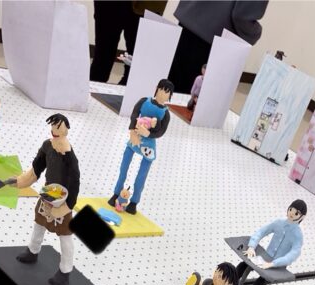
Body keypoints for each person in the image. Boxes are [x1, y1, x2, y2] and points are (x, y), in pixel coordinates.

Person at [0, 114, 80, 285]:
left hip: (63, 199)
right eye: (53, 126)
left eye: (58, 127)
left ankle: (65, 271)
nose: (54, 130)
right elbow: (35, 170)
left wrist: (65, 207)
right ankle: (33, 251)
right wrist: (19, 181)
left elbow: (75, 184)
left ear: (65, 130)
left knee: (65, 234)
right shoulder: (47, 146)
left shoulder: (70, 158)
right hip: (48, 192)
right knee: (39, 222)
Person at [169, 1, 268, 93]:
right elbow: (243, 16)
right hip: (211, 41)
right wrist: (254, 33)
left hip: (189, 18)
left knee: (170, 90)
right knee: (188, 98)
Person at [234, 199, 306, 285]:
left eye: (296, 213)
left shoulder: (298, 235)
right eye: (290, 209)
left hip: (277, 266)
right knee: (242, 266)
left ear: (302, 217)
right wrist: (252, 246)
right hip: (265, 257)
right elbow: (262, 231)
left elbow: (294, 254)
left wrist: (274, 263)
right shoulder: (279, 223)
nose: (291, 213)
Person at [108, 79, 173, 214]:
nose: (163, 93)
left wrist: (148, 134)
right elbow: (134, 115)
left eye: (167, 92)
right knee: (123, 168)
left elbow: (161, 132)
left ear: (170, 95)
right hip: (134, 138)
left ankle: (134, 202)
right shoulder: (144, 101)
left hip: (149, 144)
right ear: (156, 88)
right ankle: (116, 194)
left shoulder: (166, 114)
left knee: (142, 176)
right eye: (161, 89)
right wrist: (132, 132)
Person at [89, 1, 167, 84]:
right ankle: (90, 89)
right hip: (109, 4)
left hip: (148, 4)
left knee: (136, 64)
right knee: (102, 58)